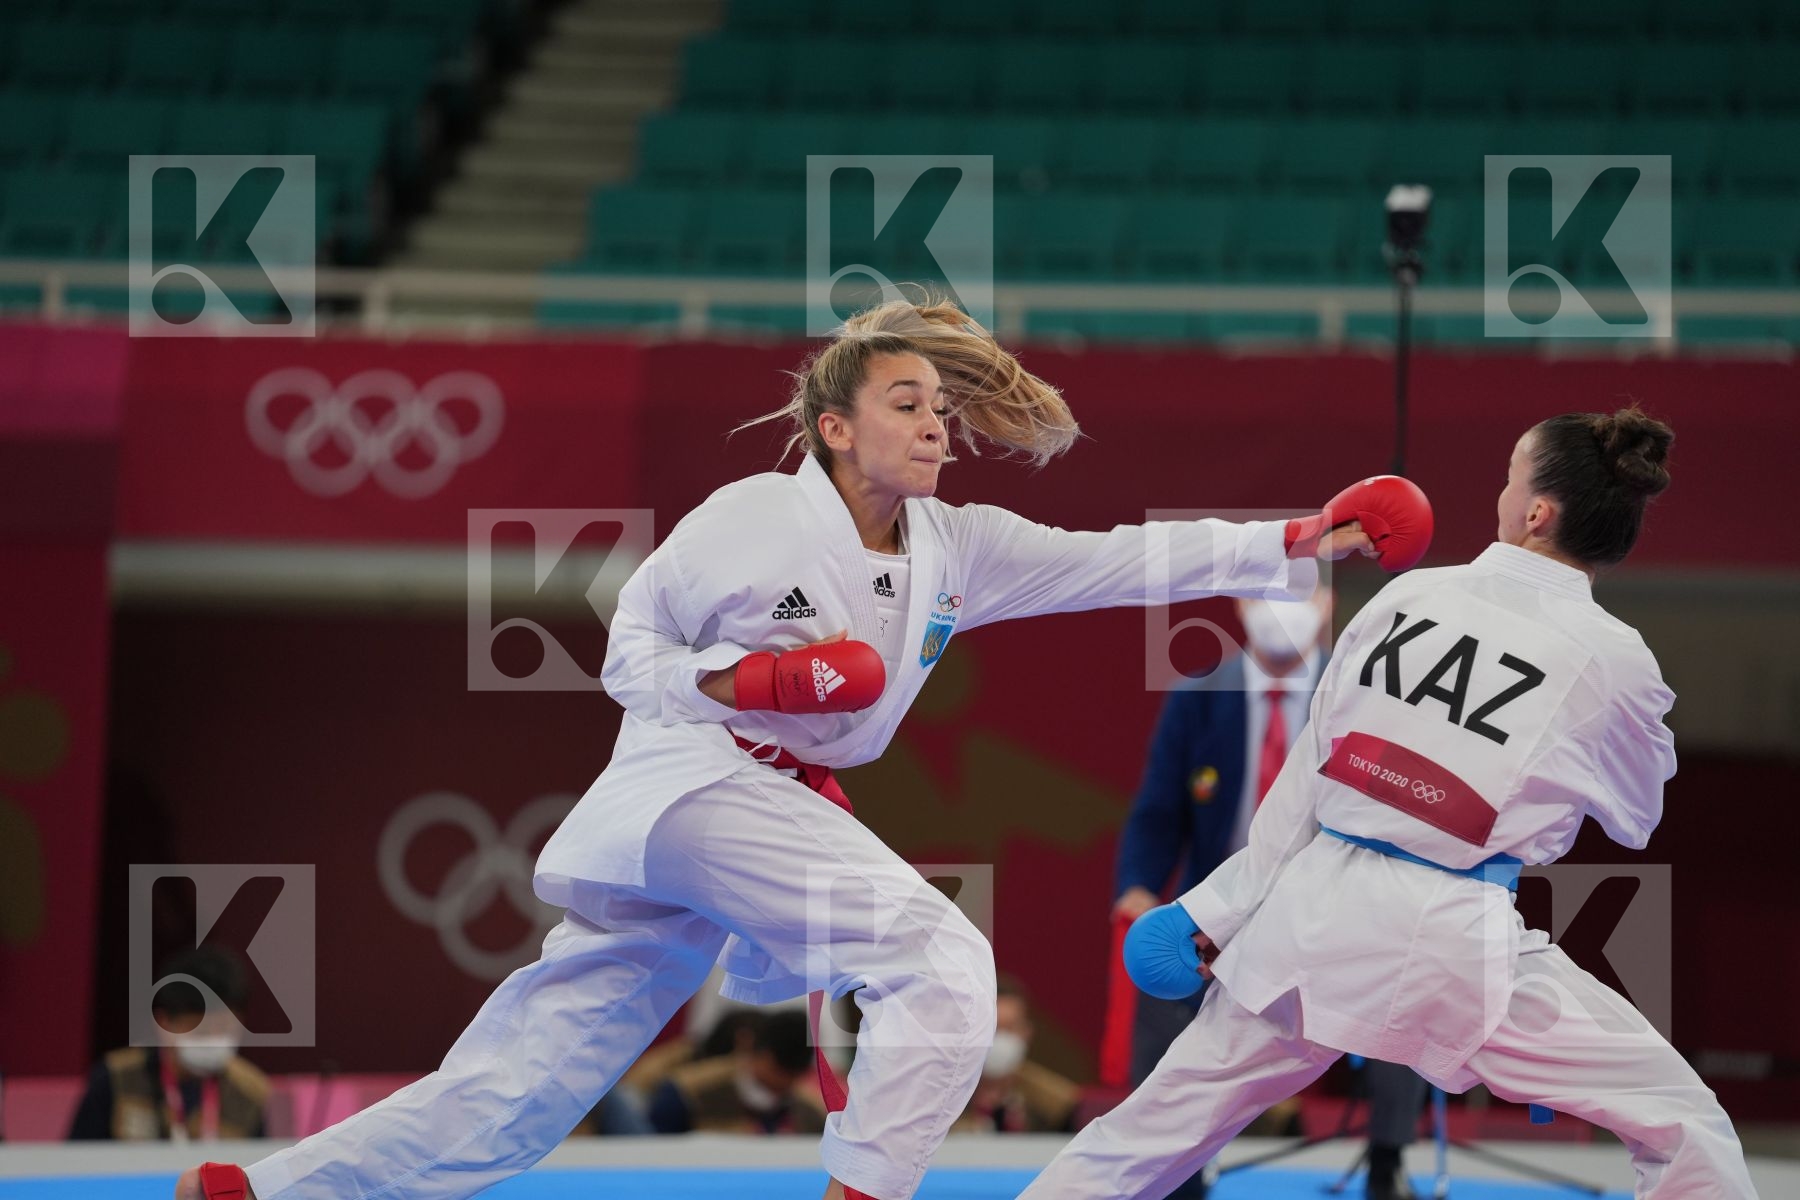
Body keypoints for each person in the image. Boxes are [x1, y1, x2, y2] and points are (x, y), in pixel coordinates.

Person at [177, 297, 1417, 1200]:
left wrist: (1302, 536)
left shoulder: (956, 547)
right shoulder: (756, 518)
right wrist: (747, 676)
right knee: (941, 959)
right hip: (696, 780)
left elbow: (1123, 562)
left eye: (942, 405)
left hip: (752, 816)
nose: (937, 424)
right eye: (905, 402)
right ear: (834, 427)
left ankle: (264, 1193)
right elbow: (625, 651)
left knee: (523, 1091)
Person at [1023, 409, 1760, 1199]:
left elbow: (1306, 780)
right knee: (1678, 1117)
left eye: (1511, 476)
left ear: (1538, 513)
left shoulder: (1408, 596)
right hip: (1456, 941)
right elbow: (1635, 814)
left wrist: (1212, 909)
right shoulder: (1618, 660)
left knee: (1144, 1136)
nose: (1502, 492)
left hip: (1314, 924)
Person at [1113, 590, 1428, 1198]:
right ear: (1239, 604)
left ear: (1328, 602)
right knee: (1158, 959)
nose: (1282, 607)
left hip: (1341, 898)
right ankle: (1162, 1164)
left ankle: (1388, 1159)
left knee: (1403, 971)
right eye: (1267, 592)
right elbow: (1158, 809)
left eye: (1300, 592)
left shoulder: (1366, 695)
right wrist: (1138, 889)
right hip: (1225, 901)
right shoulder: (1199, 698)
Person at [71, 946, 270, 1141]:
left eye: (225, 1028)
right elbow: (74, 1163)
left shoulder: (250, 1092)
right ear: (164, 1022)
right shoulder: (116, 1078)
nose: (213, 1039)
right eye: (200, 1030)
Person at [647, 1010, 826, 1135]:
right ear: (756, 1050)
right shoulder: (686, 1091)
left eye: (794, 1075)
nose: (785, 1082)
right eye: (779, 1071)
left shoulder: (811, 1111)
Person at [951, 975, 1080, 1135]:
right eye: (994, 1028)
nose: (1001, 1039)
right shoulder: (941, 1097)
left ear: (1027, 1033)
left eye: (1011, 1028)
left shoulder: (1056, 1106)